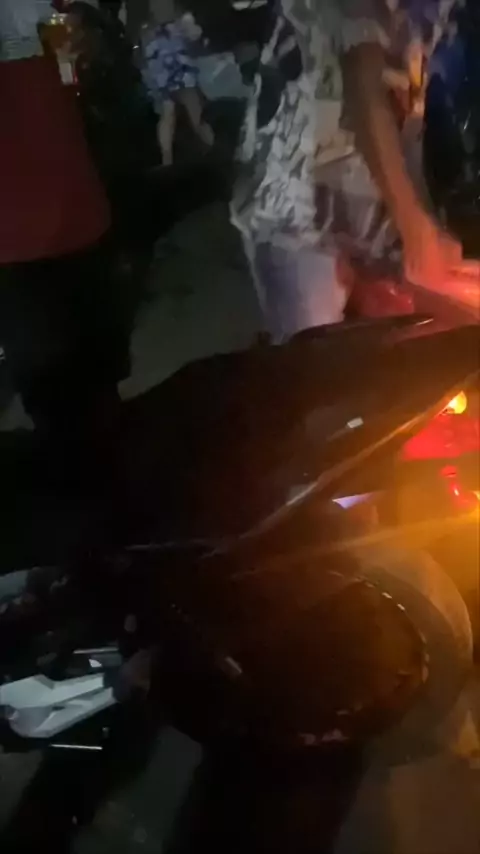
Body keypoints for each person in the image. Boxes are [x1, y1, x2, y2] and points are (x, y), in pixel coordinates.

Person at [231, 0, 463, 342]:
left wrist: (423, 221)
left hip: (370, 211)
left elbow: (405, 110)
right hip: (298, 210)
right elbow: (363, 84)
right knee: (321, 360)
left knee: (395, 353)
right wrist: (414, 224)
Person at [0, 0, 130, 488]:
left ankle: (121, 501)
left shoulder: (41, 10)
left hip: (79, 216)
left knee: (101, 389)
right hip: (16, 247)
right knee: (61, 409)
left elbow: (78, 68)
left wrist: (84, 41)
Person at [139, 3, 214, 165]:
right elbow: (147, 59)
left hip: (178, 75)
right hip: (169, 76)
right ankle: (169, 159)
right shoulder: (149, 31)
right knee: (174, 113)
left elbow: (196, 39)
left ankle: (210, 148)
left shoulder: (178, 23)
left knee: (190, 113)